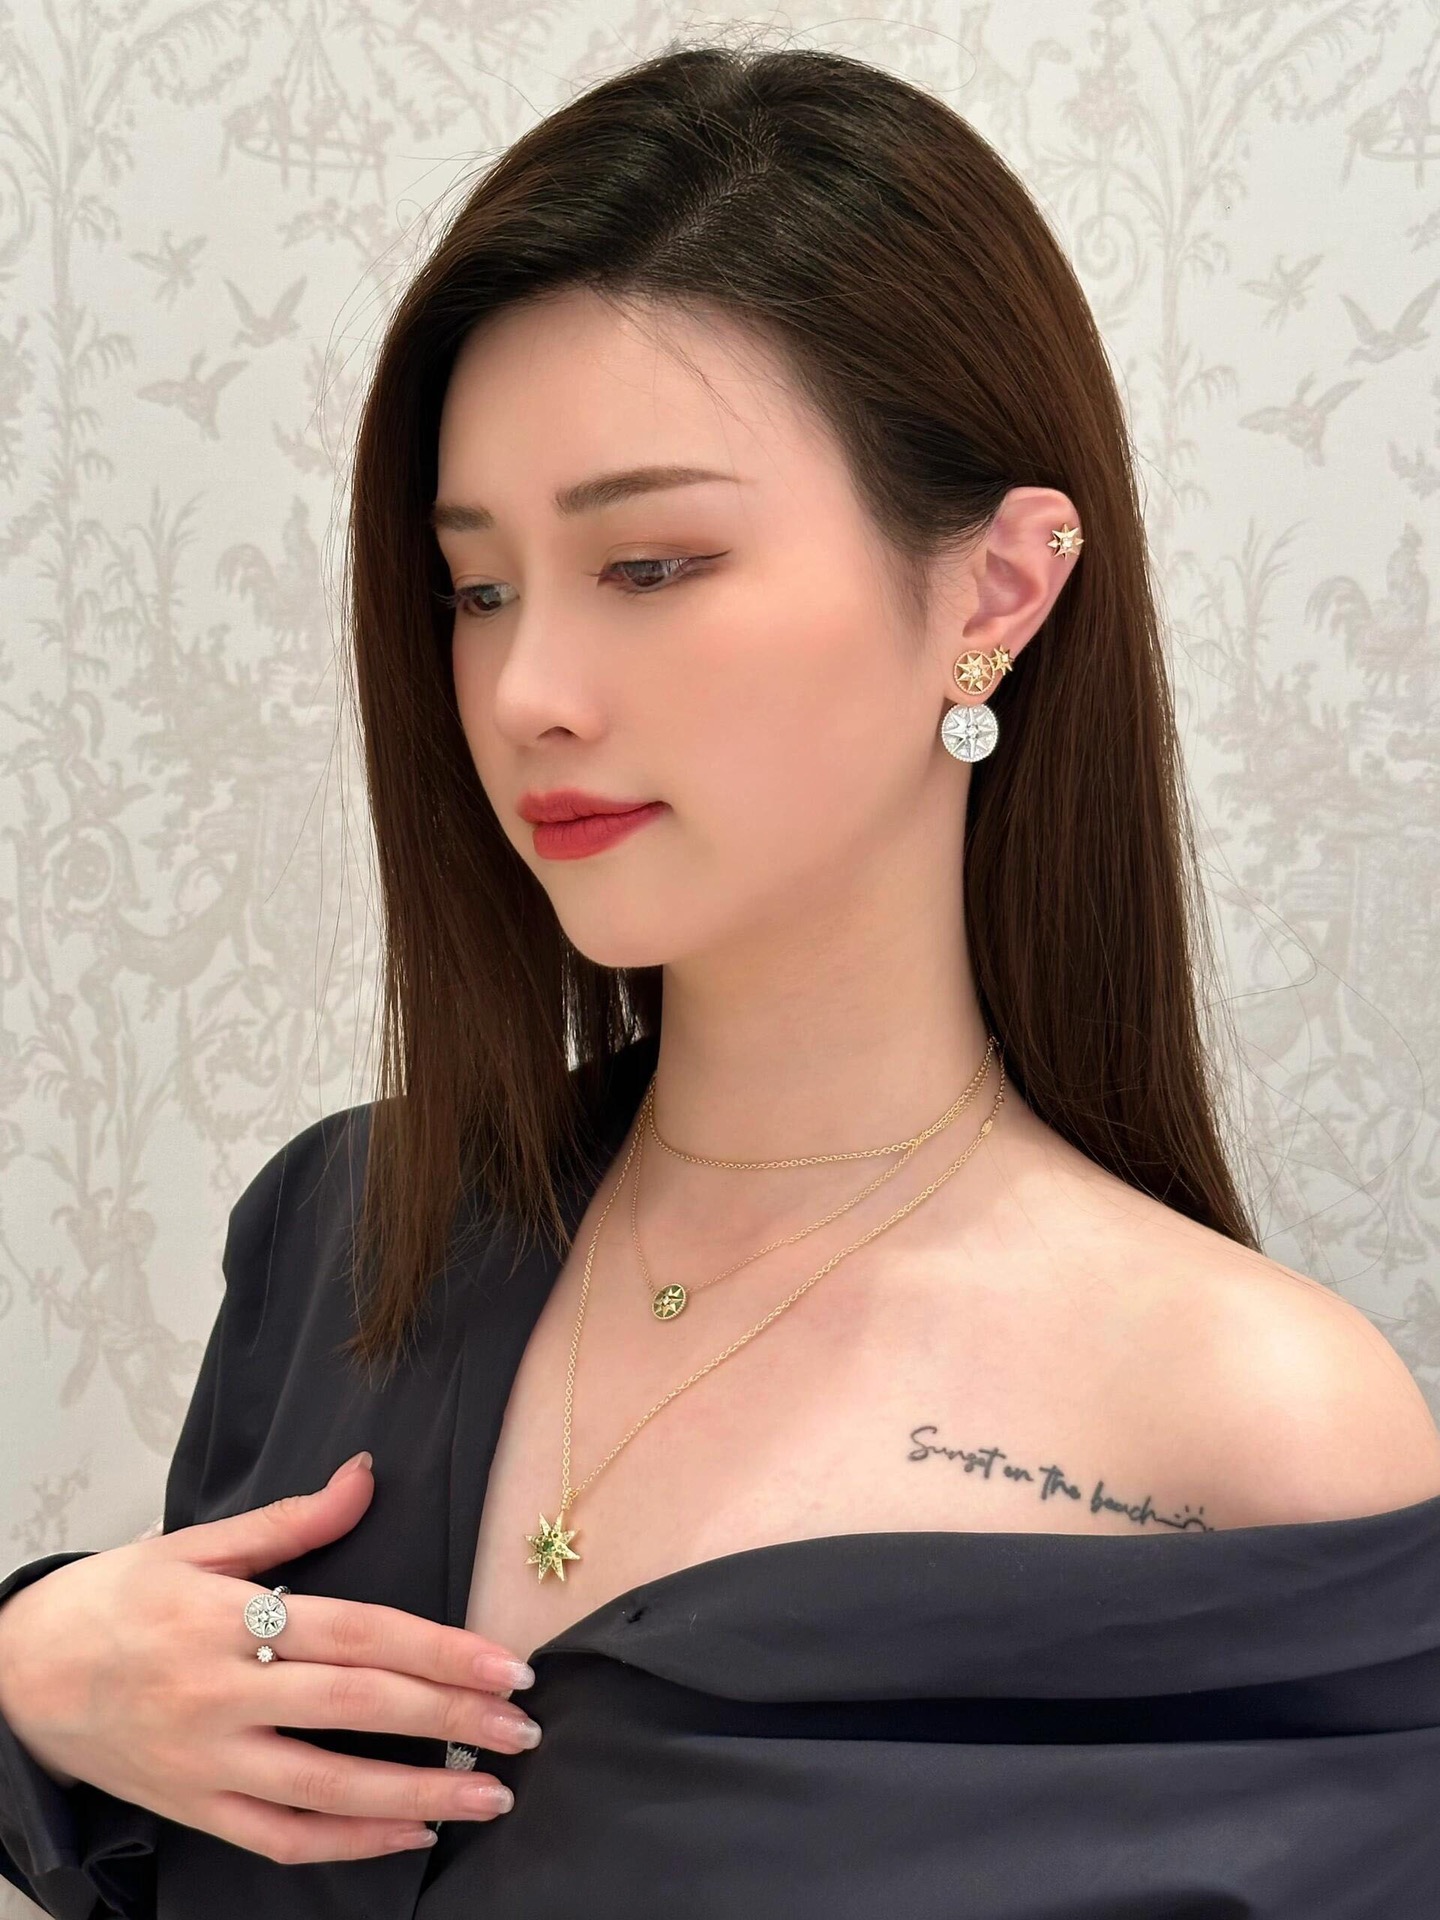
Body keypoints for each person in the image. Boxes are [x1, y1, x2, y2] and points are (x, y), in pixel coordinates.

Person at [4, 36, 1440, 1920]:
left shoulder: (1254, 1427)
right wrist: (31, 1676)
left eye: (655, 565)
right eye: (479, 588)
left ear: (998, 591)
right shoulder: (349, 1237)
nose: (527, 694)